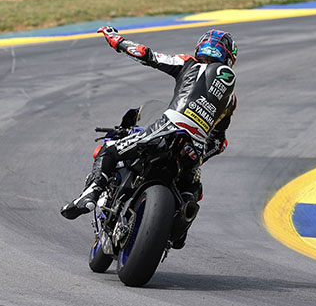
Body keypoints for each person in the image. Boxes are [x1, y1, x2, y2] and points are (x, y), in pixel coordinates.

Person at [60, 27, 237, 223]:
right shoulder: (230, 100)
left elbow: (146, 54)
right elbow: (219, 143)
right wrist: (201, 156)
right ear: (230, 57)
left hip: (166, 128)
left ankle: (90, 195)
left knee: (109, 150)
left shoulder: (188, 64)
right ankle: (180, 225)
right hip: (193, 151)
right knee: (192, 187)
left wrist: (116, 40)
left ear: (201, 47)